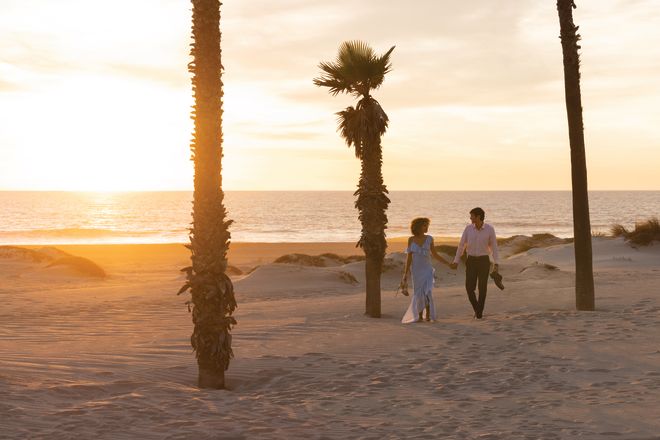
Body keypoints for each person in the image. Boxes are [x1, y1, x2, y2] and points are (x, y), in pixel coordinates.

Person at [450, 207, 499, 319]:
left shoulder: (489, 229)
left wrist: (496, 263)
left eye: (472, 216)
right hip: (471, 260)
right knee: (469, 287)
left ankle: (479, 313)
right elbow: (461, 245)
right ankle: (477, 309)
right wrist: (456, 261)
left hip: (483, 261)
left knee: (482, 288)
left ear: (478, 217)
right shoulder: (468, 229)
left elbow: (494, 247)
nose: (470, 218)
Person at [401, 217, 452, 324]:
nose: (426, 227)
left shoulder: (430, 238)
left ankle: (428, 315)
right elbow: (409, 257)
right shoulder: (411, 239)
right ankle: (419, 316)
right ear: (418, 227)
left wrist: (447, 263)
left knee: (427, 292)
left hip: (427, 269)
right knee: (418, 293)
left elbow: (435, 255)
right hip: (416, 270)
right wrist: (406, 273)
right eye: (424, 225)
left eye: (427, 225)